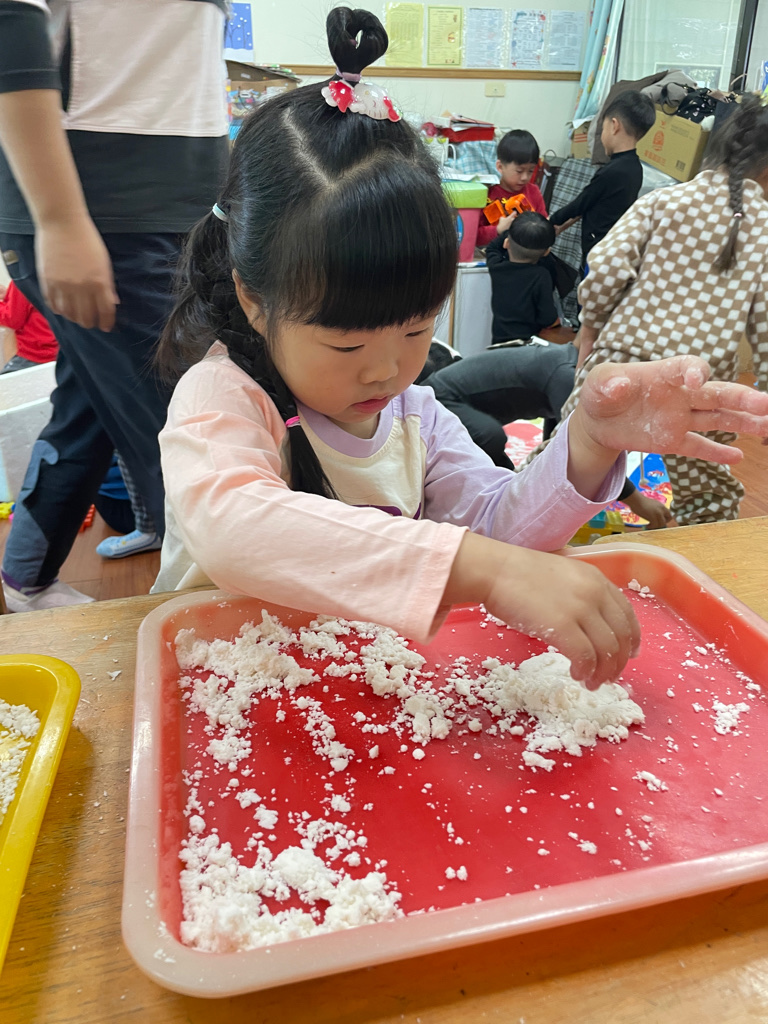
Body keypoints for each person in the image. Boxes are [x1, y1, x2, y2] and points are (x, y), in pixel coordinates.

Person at [152, 8, 768, 691]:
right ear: (253, 297)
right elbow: (234, 524)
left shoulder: (415, 414)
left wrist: (590, 441)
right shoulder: (224, 397)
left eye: (417, 330)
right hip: (214, 687)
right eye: (346, 342)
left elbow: (500, 529)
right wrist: (479, 569)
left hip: (343, 690)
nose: (387, 369)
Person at [0, 0, 229, 612]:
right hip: (101, 205)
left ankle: (26, 578)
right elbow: (12, 23)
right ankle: (214, 628)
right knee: (190, 427)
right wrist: (60, 218)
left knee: (92, 404)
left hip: (178, 205)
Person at [538, 94, 768, 526]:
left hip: (620, 360)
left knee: (562, 460)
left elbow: (606, 269)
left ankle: (522, 538)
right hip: (698, 380)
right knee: (707, 491)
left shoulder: (663, 201)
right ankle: (691, 557)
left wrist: (590, 329)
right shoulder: (764, 229)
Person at [419, 342, 671, 529]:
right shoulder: (569, 376)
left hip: (468, 401)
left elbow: (562, 435)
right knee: (491, 439)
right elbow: (590, 443)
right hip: (443, 396)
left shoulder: (569, 369)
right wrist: (637, 501)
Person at [549, 91, 656, 266]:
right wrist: (562, 226)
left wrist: (552, 221)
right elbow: (591, 203)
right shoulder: (635, 167)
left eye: (603, 129)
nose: (601, 136)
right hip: (613, 248)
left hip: (598, 252)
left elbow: (581, 202)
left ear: (614, 126)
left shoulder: (613, 171)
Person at [486, 211, 559, 344]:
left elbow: (492, 248)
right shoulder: (541, 275)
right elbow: (548, 318)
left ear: (506, 243)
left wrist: (507, 232)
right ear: (546, 252)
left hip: (498, 342)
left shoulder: (497, 267)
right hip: (528, 344)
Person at [475, 129, 547, 247]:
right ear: (500, 167)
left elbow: (543, 226)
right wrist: (497, 230)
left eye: (530, 171)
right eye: (519, 171)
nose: (525, 177)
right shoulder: (487, 195)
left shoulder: (533, 192)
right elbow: (474, 236)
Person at [0, 278, 57, 372]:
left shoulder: (22, 276)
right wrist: (10, 296)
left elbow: (12, 319)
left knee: (6, 380)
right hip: (61, 350)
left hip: (37, 354)